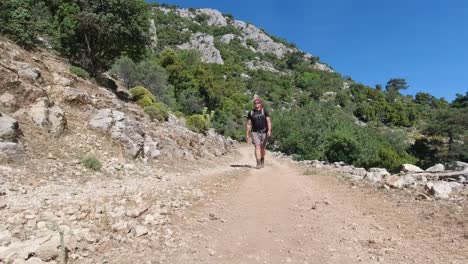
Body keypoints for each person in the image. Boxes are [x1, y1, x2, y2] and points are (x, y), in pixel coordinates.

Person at [246, 98, 272, 169]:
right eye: (255, 103)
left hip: (264, 132)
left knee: (263, 148)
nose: (256, 104)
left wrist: (269, 130)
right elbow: (248, 124)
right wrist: (247, 134)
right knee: (257, 146)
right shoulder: (251, 112)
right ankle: (258, 163)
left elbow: (268, 121)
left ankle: (262, 160)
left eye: (257, 103)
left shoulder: (264, 111)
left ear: (260, 104)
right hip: (255, 132)